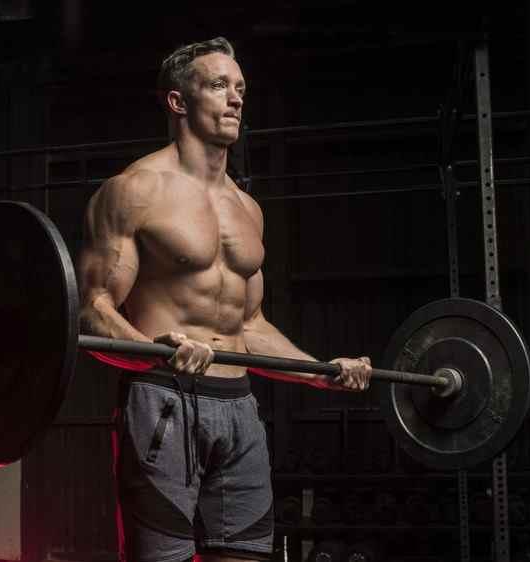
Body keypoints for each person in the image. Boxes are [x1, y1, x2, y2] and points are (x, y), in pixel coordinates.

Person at [76, 37, 373, 562]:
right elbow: (91, 309)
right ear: (178, 102)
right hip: (163, 400)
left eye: (240, 88)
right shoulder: (134, 190)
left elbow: (251, 326)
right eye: (218, 85)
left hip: (240, 408)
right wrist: (155, 349)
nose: (236, 99)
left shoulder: (247, 210)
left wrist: (322, 370)